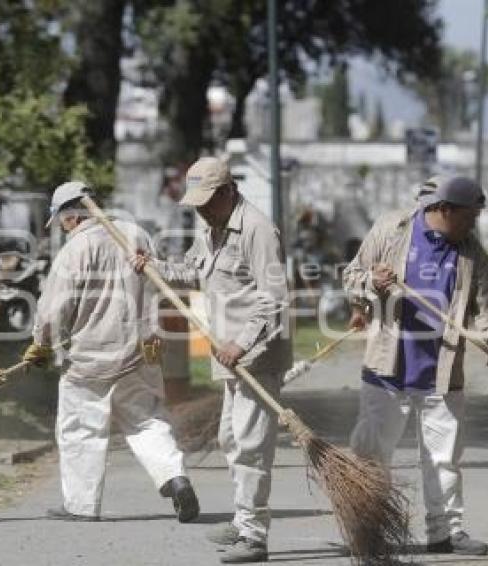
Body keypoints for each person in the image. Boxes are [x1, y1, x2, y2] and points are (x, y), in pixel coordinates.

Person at [343, 175, 488, 557]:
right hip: (386, 369)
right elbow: (351, 277)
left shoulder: (471, 252)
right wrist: (372, 283)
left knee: (444, 459)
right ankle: (368, 529)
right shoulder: (393, 229)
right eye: (469, 217)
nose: (474, 225)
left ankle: (445, 534)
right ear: (445, 210)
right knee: (372, 453)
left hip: (441, 371)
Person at [131, 157, 292, 564]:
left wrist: (241, 343)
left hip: (257, 357)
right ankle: (243, 523)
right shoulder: (212, 231)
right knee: (232, 439)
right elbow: (189, 273)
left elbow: (273, 298)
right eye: (196, 202)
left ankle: (254, 536)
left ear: (228, 191)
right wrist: (153, 268)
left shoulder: (257, 229)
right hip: (230, 359)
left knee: (252, 446)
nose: (200, 208)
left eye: (207, 200)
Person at [23, 180, 200, 523]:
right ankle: (175, 478)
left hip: (90, 360)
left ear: (71, 216)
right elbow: (157, 276)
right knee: (147, 420)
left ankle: (81, 505)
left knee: (81, 429)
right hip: (140, 350)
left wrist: (40, 344)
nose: (61, 226)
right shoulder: (136, 234)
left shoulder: (74, 251)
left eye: (60, 219)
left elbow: (53, 309)